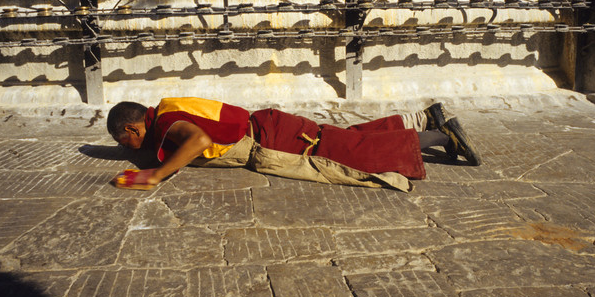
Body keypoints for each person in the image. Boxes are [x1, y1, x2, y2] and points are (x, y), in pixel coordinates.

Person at [107, 97, 481, 190]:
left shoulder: (168, 124)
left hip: (272, 138)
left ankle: (441, 136)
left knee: (356, 153)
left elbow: (199, 140)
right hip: (269, 125)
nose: (127, 148)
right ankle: (423, 120)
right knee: (346, 138)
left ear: (133, 128)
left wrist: (156, 174)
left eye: (124, 141)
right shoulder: (169, 106)